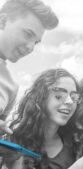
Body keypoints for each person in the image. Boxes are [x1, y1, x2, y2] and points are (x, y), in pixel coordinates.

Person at [0, 0, 58, 156]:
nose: (31, 47)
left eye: (36, 42)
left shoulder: (11, 87)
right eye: (27, 34)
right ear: (3, 21)